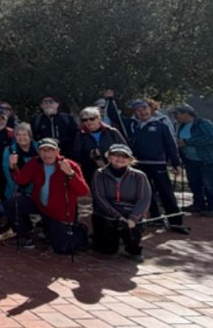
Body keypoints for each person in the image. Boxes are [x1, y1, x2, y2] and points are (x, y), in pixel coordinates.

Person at [113, 99, 188, 233]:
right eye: (139, 110)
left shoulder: (160, 125)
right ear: (135, 113)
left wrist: (176, 163)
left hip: (158, 164)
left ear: (150, 109)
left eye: (145, 108)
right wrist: (110, 99)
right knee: (146, 193)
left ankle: (176, 222)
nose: (143, 112)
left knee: (166, 193)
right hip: (139, 164)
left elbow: (170, 145)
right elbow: (114, 116)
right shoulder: (132, 125)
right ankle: (155, 218)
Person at [5, 138, 89, 253]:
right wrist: (13, 167)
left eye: (50, 150)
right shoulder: (34, 163)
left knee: (61, 249)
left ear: (57, 151)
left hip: (59, 213)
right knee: (12, 203)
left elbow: (83, 191)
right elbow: (21, 180)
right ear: (39, 152)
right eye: (43, 150)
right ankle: (23, 236)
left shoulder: (69, 165)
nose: (46, 154)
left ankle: (72, 233)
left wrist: (70, 174)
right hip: (39, 204)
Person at [91, 144, 152, 262]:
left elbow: (144, 199)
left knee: (133, 234)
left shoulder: (139, 176)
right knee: (108, 250)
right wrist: (118, 217)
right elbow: (100, 198)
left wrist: (133, 218)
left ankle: (132, 246)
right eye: (116, 155)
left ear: (130, 160)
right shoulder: (99, 173)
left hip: (130, 214)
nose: (120, 159)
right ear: (109, 157)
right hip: (108, 214)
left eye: (125, 156)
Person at [72, 107, 127, 183]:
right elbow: (76, 155)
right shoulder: (80, 135)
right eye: (84, 120)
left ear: (99, 118)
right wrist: (91, 155)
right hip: (91, 173)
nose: (88, 122)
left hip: (115, 170)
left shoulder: (112, 132)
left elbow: (125, 150)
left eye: (92, 119)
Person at [175, 104, 213, 215]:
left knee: (209, 184)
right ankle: (198, 204)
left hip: (206, 160)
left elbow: (210, 137)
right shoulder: (181, 126)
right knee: (194, 183)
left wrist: (187, 142)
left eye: (177, 114)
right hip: (191, 160)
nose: (176, 117)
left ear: (186, 114)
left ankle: (211, 207)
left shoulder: (203, 123)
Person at [1, 123, 38, 202]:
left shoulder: (38, 148)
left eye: (25, 134)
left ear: (30, 136)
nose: (21, 138)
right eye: (18, 135)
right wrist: (17, 191)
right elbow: (7, 174)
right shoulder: (9, 151)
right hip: (16, 189)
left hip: (37, 189)